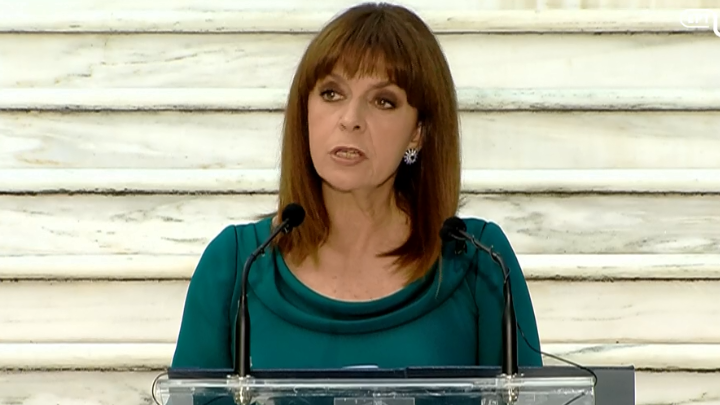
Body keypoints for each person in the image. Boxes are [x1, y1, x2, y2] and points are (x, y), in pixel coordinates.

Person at [171, 2, 542, 370]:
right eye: (332, 94)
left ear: (418, 132)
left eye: (383, 101)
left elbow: (526, 395)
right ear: (305, 111)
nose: (350, 119)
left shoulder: (481, 263)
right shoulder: (235, 266)